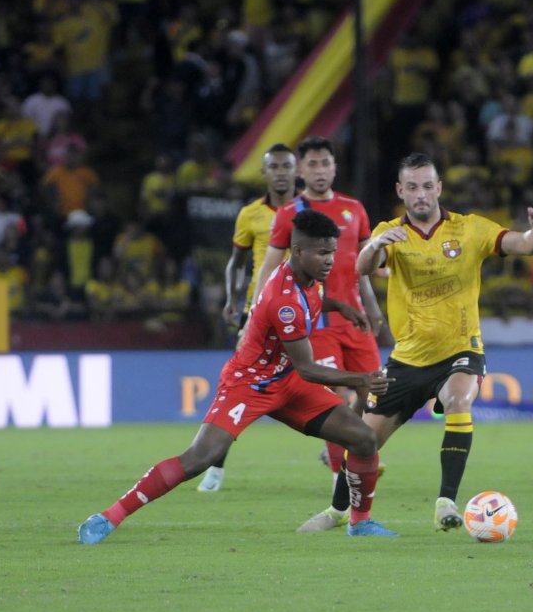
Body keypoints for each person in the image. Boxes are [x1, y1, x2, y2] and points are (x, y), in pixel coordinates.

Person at [77, 210, 397, 543]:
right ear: (298, 251)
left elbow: (313, 304)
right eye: (322, 253)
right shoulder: (282, 300)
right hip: (251, 383)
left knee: (363, 439)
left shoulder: (308, 278)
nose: (330, 260)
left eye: (332, 251)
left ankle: (359, 523)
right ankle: (109, 516)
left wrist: (340, 306)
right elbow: (308, 368)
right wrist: (360, 379)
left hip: (287, 380)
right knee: (200, 458)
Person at [299, 152, 533, 533]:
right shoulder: (392, 233)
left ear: (439, 188)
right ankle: (339, 512)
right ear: (401, 191)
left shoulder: (469, 229)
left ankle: (446, 502)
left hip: (460, 349)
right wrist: (374, 244)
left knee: (458, 399)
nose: (421, 194)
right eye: (413, 187)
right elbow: (362, 268)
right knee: (364, 440)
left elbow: (521, 244)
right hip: (408, 359)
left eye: (427, 186)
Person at [253, 137, 387, 513]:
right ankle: (338, 480)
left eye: (325, 162)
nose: (320, 170)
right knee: (334, 400)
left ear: (334, 167)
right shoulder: (289, 215)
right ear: (301, 169)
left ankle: (350, 457)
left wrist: (374, 310)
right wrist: (258, 313)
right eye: (312, 164)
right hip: (316, 323)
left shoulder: (354, 209)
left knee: (372, 395)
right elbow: (270, 266)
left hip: (354, 320)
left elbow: (363, 269)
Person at [193, 143, 297, 492]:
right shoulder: (249, 214)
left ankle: (340, 464)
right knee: (240, 388)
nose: (281, 172)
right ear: (264, 173)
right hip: (260, 312)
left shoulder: (309, 212)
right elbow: (236, 262)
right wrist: (232, 300)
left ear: (296, 171)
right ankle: (216, 466)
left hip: (305, 310)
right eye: (275, 166)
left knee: (323, 382)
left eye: (286, 166)